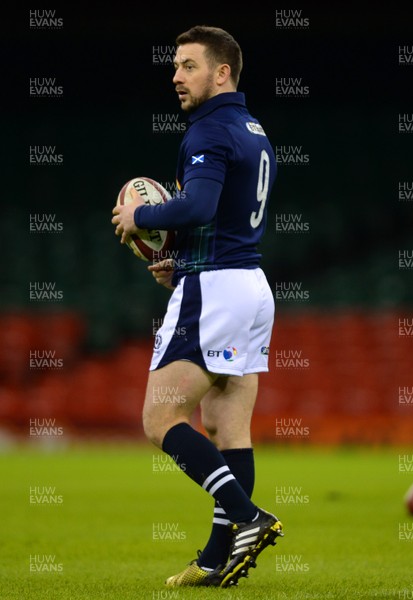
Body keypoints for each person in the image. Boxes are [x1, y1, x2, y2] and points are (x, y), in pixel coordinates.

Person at [111, 25, 283, 588]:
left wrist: (142, 219)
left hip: (217, 288)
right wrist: (182, 264)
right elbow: (227, 216)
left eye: (188, 65)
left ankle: (248, 519)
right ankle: (215, 558)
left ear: (222, 72)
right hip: (251, 283)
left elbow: (201, 204)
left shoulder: (208, 129)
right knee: (227, 425)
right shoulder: (253, 130)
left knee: (160, 418)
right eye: (177, 66)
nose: (176, 76)